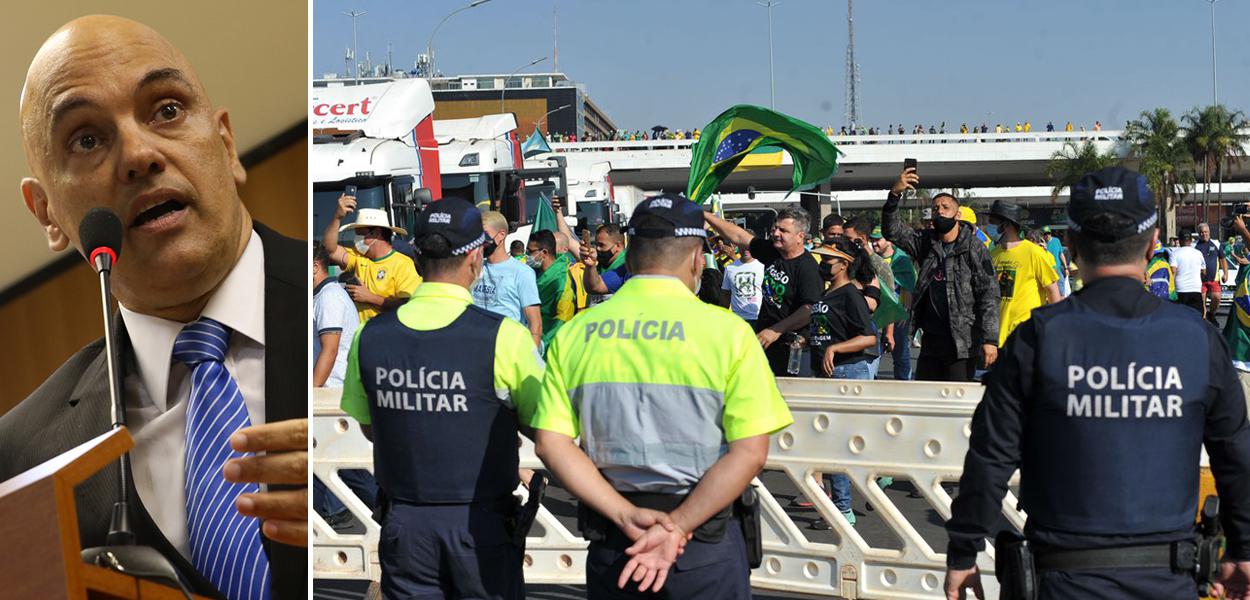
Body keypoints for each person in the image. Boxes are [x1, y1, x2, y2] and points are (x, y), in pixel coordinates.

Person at [0, 16, 306, 598]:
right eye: (87, 140)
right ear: (46, 213)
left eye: (166, 110)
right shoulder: (17, 460)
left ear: (225, 142)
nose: (139, 155)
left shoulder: (357, 318)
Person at [943, 167, 1250, 600]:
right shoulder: (1196, 338)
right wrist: (1243, 548)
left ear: (1070, 244)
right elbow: (1237, 456)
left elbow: (990, 457)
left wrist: (963, 551)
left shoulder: (1038, 337)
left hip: (1060, 580)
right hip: (1165, 579)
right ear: (1153, 241)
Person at [533, 194, 794, 598]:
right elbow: (750, 453)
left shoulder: (575, 334)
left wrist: (626, 514)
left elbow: (551, 444)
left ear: (630, 256)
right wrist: (678, 526)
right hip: (703, 545)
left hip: (618, 540)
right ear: (696, 259)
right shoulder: (728, 333)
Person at [339, 198, 545, 599]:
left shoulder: (372, 336)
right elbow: (543, 426)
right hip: (479, 524)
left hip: (404, 524)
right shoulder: (504, 336)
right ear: (474, 260)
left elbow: (370, 425)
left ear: (417, 257)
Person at [881, 168, 1000, 382]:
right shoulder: (924, 242)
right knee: (926, 400)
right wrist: (894, 195)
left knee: (956, 401)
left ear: (957, 214)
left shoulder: (973, 246)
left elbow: (989, 295)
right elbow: (892, 231)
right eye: (936, 208)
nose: (940, 211)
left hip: (963, 343)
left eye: (946, 207)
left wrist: (990, 339)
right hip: (931, 341)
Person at [704, 208, 824, 376]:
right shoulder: (773, 252)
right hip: (766, 343)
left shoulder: (807, 267)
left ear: (800, 236)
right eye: (775, 228)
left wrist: (775, 331)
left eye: (783, 230)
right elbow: (739, 236)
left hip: (793, 349)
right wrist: (705, 215)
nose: (775, 233)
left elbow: (809, 309)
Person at [323, 198, 422, 323]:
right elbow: (329, 249)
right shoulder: (358, 257)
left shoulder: (402, 264)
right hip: (361, 336)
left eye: (360, 234)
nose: (356, 239)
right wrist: (337, 217)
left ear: (376, 233)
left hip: (388, 336)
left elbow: (410, 306)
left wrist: (370, 298)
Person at [985, 200, 1061, 346]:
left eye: (993, 222)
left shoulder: (1034, 253)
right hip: (997, 337)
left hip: (1026, 335)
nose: (990, 228)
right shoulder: (992, 254)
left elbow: (1053, 291)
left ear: (1006, 225)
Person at [472, 210, 543, 347]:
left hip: (508, 353)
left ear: (501, 235)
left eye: (484, 235)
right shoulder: (472, 268)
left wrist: (531, 361)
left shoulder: (522, 273)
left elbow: (535, 323)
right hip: (477, 352)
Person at [873, 226, 917, 380]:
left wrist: (906, 312)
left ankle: (904, 384)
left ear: (889, 241)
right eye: (872, 239)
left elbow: (909, 285)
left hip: (897, 314)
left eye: (877, 239)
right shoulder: (871, 259)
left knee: (900, 354)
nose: (874, 243)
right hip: (876, 314)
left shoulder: (901, 260)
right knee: (873, 354)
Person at [314, 242, 357, 387]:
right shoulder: (324, 295)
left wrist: (313, 390)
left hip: (332, 391)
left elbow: (330, 350)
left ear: (315, 267)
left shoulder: (329, 297)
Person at [528, 229, 578, 347]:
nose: (527, 256)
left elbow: (563, 318)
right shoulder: (532, 272)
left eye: (530, 251)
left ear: (544, 253)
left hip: (551, 342)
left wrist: (543, 345)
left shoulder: (561, 280)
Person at [722, 244, 765, 323]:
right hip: (737, 319)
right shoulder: (729, 268)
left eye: (749, 247)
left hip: (759, 318)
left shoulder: (763, 266)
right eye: (743, 246)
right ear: (738, 247)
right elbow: (726, 294)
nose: (746, 249)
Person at [1196, 222, 1227, 325]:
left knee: (1217, 298)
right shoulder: (1195, 246)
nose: (1203, 234)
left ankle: (1212, 314)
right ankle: (1204, 321)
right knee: (1202, 302)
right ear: (1198, 233)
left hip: (1214, 279)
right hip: (1200, 280)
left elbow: (1223, 259)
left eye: (1205, 232)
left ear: (1209, 232)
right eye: (1201, 232)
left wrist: (1225, 274)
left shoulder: (1216, 244)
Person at [1170, 231, 1207, 315]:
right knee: (1197, 317)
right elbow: (1204, 272)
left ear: (1179, 241)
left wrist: (1170, 289)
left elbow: (1173, 271)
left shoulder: (1174, 253)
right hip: (1195, 289)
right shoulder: (1198, 253)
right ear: (1191, 241)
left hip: (1180, 289)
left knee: (1180, 317)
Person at [1040, 226, 1071, 297]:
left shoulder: (1056, 240)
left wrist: (1066, 268)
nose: (1047, 235)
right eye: (1045, 234)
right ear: (1042, 235)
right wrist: (1043, 247)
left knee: (1062, 292)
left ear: (1051, 233)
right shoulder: (1041, 244)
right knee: (1049, 294)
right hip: (1046, 272)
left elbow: (1061, 254)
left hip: (1057, 270)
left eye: (1048, 233)